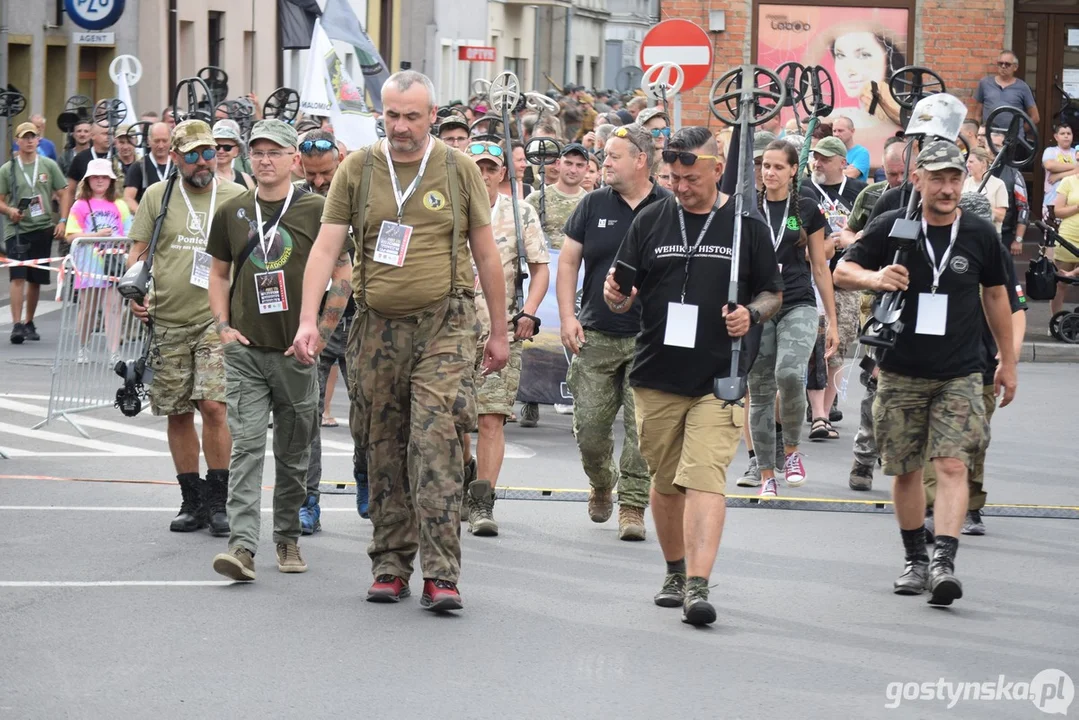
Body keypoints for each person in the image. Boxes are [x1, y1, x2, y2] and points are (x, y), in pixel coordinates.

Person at [292, 70, 509, 612]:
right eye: (392, 115)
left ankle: (442, 573)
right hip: (377, 327)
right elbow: (324, 250)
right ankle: (390, 562)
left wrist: (501, 331)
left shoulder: (458, 170)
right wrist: (307, 320)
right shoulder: (358, 169)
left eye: (412, 116)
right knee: (382, 443)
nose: (401, 126)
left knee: (434, 441)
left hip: (445, 324)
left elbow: (486, 254)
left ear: (432, 116)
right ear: (380, 115)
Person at [604, 126, 782, 625]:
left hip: (719, 377)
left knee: (704, 478)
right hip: (657, 374)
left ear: (717, 168)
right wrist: (614, 296)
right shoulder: (651, 219)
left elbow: (774, 292)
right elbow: (618, 288)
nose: (680, 188)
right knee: (665, 483)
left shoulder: (747, 224)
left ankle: (699, 587)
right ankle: (675, 569)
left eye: (690, 178)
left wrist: (752, 313)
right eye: (672, 177)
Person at [834, 140, 1017, 606]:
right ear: (919, 180)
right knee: (906, 469)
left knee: (953, 463)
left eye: (954, 178)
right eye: (937, 178)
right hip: (900, 369)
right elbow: (842, 269)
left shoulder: (978, 233)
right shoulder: (895, 228)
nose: (947, 187)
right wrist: (875, 279)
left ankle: (944, 563)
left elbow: (997, 296)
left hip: (960, 371)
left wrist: (1007, 361)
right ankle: (915, 558)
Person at [205, 119, 347, 582]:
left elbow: (343, 279)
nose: (265, 160)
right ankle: (242, 547)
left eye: (275, 151)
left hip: (296, 354)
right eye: (258, 151)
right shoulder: (233, 210)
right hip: (246, 351)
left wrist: (320, 336)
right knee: (246, 447)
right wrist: (224, 327)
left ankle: (286, 537)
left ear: (294, 159)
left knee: (292, 452)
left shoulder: (318, 210)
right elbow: (219, 274)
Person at [125, 120, 246, 536]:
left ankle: (218, 501)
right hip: (167, 320)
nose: (202, 161)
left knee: (213, 406)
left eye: (209, 152)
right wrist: (136, 294)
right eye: (192, 154)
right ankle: (191, 501)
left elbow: (253, 258)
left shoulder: (235, 197)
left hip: (216, 321)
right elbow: (137, 255)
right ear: (174, 157)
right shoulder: (158, 196)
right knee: (177, 412)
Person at [558, 124, 667, 540]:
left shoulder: (667, 207)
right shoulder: (592, 204)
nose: (604, 162)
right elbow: (568, 262)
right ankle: (602, 482)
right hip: (596, 335)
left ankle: (633, 506)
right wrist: (569, 317)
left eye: (614, 155)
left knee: (642, 431)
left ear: (640, 160)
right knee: (589, 428)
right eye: (603, 154)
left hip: (648, 337)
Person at [921, 190, 1027, 537]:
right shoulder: (934, 246)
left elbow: (1015, 310)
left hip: (981, 361)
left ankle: (972, 506)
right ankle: (934, 504)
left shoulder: (993, 253)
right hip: (936, 358)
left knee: (974, 439)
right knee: (936, 439)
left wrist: (1007, 357)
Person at [460, 141, 550, 537]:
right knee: (456, 422)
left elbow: (540, 267)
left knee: (491, 418)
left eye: (490, 168)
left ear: (501, 173)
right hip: (449, 331)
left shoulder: (520, 211)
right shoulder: (448, 206)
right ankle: (464, 478)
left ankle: (483, 501)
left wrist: (528, 311)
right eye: (475, 166)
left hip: (500, 330)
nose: (482, 174)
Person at [749, 140, 838, 497]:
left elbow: (820, 265)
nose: (769, 173)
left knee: (788, 373)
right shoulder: (746, 208)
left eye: (777, 167)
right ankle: (767, 473)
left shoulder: (806, 209)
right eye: (765, 166)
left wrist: (829, 318)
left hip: (797, 301)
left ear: (791, 172)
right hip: (756, 305)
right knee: (759, 391)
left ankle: (792, 452)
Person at [293, 129, 370, 533]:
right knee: (307, 413)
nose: (319, 182)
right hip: (315, 316)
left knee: (367, 408)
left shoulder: (366, 189)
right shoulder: (296, 198)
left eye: (326, 173)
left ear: (341, 160)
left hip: (364, 317)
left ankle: (366, 475)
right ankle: (309, 499)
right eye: (311, 175)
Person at [805, 136, 866, 439]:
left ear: (843, 162)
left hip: (844, 275)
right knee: (811, 346)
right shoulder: (804, 190)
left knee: (837, 346)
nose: (818, 163)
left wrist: (856, 237)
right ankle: (815, 406)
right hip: (810, 276)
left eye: (826, 159)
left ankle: (824, 413)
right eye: (816, 157)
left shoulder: (858, 192)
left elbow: (872, 228)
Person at [0, 122, 69, 344]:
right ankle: (17, 324)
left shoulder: (48, 165)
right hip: (17, 229)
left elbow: (64, 192)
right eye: (25, 137)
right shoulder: (8, 169)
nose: (29, 141)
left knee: (36, 278)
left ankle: (29, 321)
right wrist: (9, 210)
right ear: (18, 141)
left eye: (33, 137)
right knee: (18, 275)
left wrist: (64, 220)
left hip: (42, 226)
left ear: (38, 140)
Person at [65, 158, 132, 364]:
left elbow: (130, 233)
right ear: (88, 180)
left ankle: (114, 352)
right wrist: (97, 235)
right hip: (88, 265)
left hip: (114, 263)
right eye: (96, 177)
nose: (100, 181)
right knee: (89, 308)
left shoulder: (120, 204)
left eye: (104, 177)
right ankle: (83, 347)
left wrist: (121, 245)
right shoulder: (80, 205)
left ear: (111, 181)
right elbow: (70, 236)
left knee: (114, 307)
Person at [973, 51, 1040, 131]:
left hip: (1013, 140)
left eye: (1007, 64)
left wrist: (1018, 132)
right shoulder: (985, 83)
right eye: (1000, 63)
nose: (1003, 66)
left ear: (1015, 67)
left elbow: (1035, 117)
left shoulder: (1023, 87)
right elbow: (978, 114)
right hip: (990, 137)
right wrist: (979, 132)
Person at [124, 122, 173, 210]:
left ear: (171, 140)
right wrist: (143, 217)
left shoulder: (178, 165)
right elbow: (128, 198)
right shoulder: (139, 166)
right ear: (148, 141)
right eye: (157, 141)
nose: (161, 145)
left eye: (164, 141)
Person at [963, 147, 1008, 233]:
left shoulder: (998, 184)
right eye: (967, 161)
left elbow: (1001, 216)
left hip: (990, 234)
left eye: (971, 162)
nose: (967, 165)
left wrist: (981, 206)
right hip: (968, 233)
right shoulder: (965, 183)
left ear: (983, 163)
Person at [1042, 123, 1078, 222]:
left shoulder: (1076, 153)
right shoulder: (1050, 151)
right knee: (1050, 235)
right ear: (1056, 137)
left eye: (1069, 133)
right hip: (1051, 200)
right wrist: (1075, 167)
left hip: (1072, 204)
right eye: (1062, 133)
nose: (1066, 136)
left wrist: (1059, 175)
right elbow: (1050, 165)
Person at [212, 121, 256, 189]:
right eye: (217, 147)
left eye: (227, 148)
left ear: (237, 151)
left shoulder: (246, 179)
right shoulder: (204, 177)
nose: (221, 151)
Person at [832, 117, 870, 182]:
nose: (836, 134)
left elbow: (851, 175)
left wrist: (830, 171)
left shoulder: (861, 152)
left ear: (852, 131)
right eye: (834, 131)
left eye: (840, 131)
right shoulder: (830, 151)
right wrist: (844, 170)